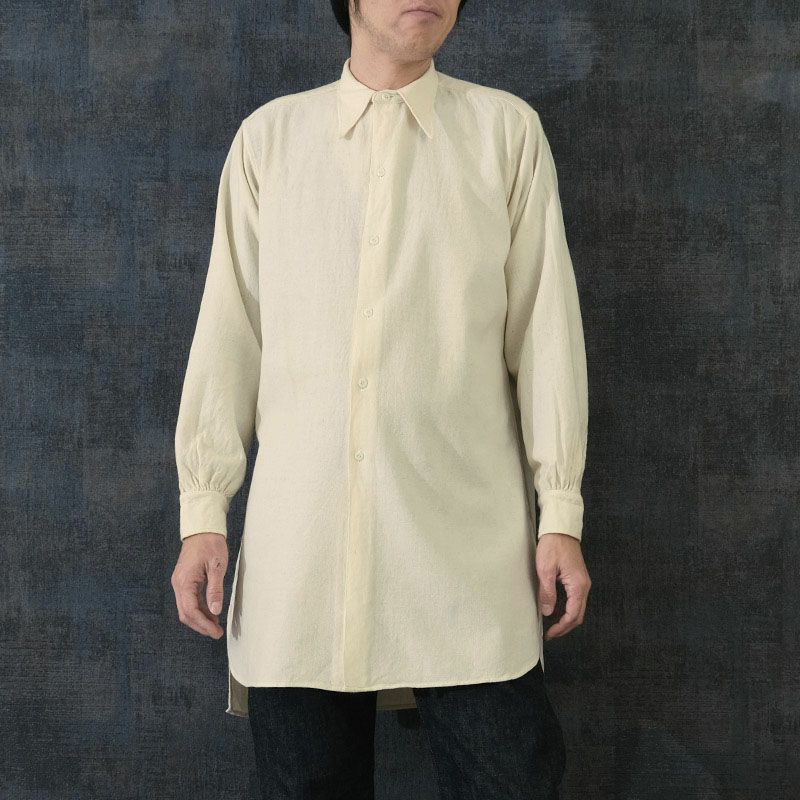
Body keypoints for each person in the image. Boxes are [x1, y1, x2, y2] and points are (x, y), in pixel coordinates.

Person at [171, 0, 591, 797]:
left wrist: (560, 512)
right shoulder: (270, 142)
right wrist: (203, 511)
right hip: (302, 557)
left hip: (466, 554)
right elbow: (229, 337)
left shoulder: (504, 134)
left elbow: (545, 337)